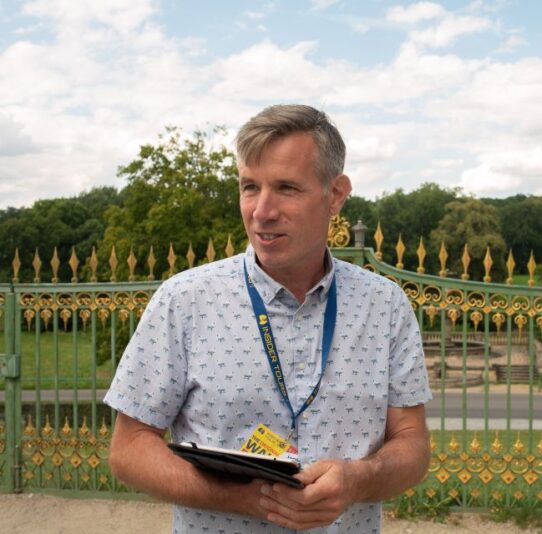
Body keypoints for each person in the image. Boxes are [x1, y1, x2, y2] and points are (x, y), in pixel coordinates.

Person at [104, 104, 432, 533]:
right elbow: (128, 451)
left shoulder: (384, 306)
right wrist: (250, 499)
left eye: (286, 188)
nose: (262, 210)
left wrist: (358, 480)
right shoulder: (185, 301)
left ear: (335, 194)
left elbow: (413, 444)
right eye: (249, 187)